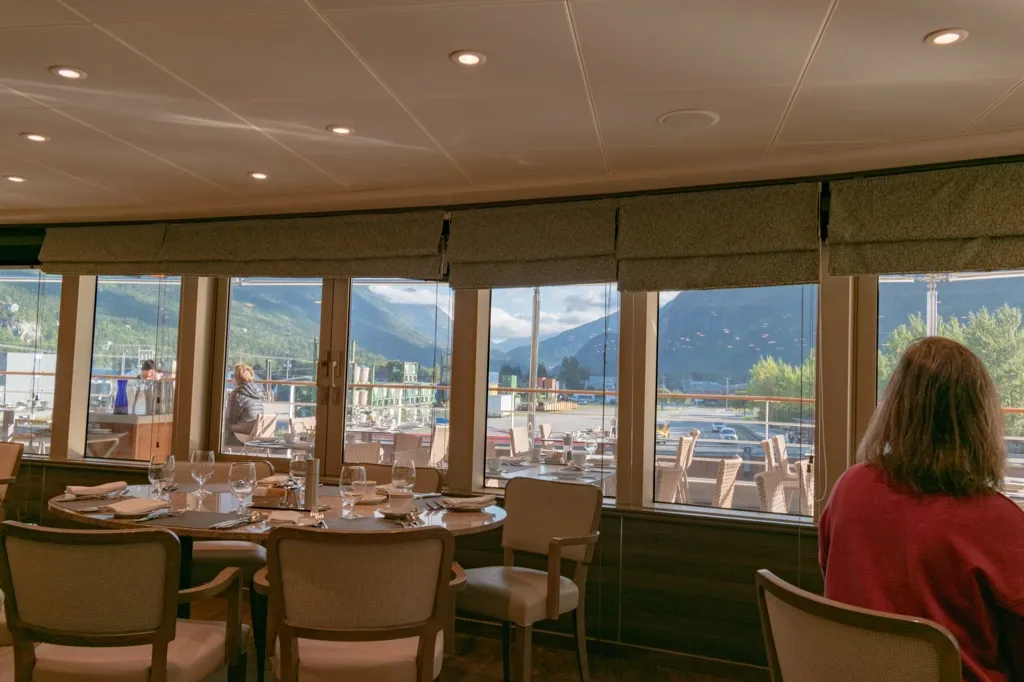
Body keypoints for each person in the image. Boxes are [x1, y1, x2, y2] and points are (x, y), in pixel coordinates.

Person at [819, 337, 1024, 681]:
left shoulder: (849, 487)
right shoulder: (997, 521)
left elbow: (830, 574)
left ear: (895, 407)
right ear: (979, 418)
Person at [225, 363, 264, 440]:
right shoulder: (257, 392)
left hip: (246, 432)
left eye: (233, 375)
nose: (232, 378)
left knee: (222, 425)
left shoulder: (236, 394)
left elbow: (231, 420)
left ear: (237, 378)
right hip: (257, 430)